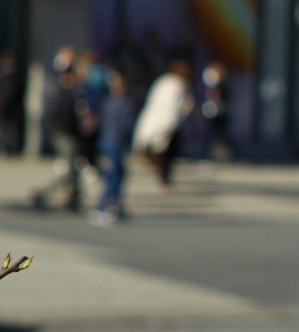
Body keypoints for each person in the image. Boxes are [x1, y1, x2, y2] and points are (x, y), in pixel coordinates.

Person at [31, 49, 85, 211]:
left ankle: (74, 198)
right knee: (70, 170)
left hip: (67, 134)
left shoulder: (69, 92)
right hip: (64, 134)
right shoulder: (62, 93)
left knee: (74, 169)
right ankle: (43, 194)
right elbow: (60, 116)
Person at [132, 58, 194, 187]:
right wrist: (170, 124)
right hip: (166, 122)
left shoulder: (163, 81)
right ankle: (162, 175)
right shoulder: (178, 84)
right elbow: (175, 107)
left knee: (160, 149)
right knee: (166, 151)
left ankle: (161, 174)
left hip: (154, 118)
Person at [90, 70, 138, 226]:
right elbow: (125, 125)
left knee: (117, 173)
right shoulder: (121, 103)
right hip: (114, 142)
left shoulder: (110, 102)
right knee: (114, 175)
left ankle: (113, 204)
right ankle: (107, 205)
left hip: (110, 141)